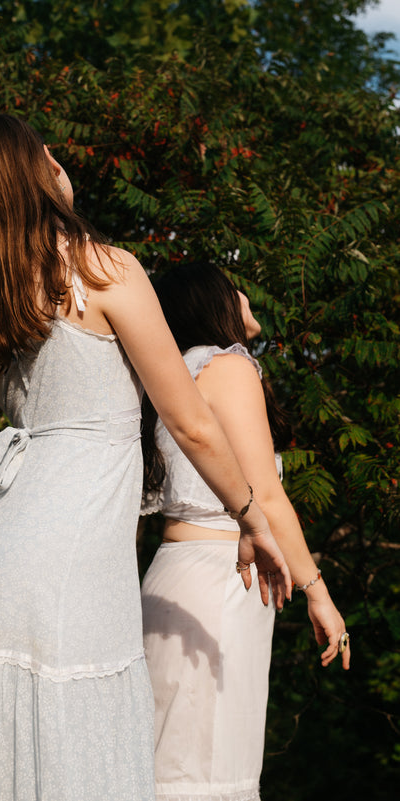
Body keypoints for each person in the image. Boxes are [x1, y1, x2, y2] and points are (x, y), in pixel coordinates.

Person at [0, 115, 291, 801]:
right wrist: (250, 514)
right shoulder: (104, 268)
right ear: (32, 171)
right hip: (74, 567)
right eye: (46, 151)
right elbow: (191, 423)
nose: (60, 160)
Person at [140, 262, 350, 801]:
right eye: (234, 287)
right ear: (212, 302)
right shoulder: (229, 366)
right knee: (207, 769)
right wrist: (318, 594)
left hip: (169, 577)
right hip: (222, 580)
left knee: (167, 761)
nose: (244, 294)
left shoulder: (169, 374)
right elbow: (266, 496)